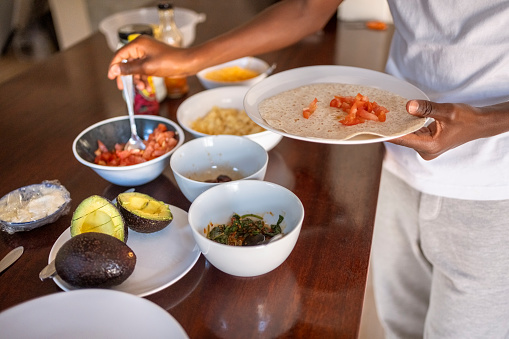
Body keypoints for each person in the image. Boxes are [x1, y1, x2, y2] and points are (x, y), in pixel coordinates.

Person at [108, 0, 509, 337]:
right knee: (399, 324)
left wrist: (487, 121)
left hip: (493, 186)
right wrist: (186, 59)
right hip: (395, 158)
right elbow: (307, 8)